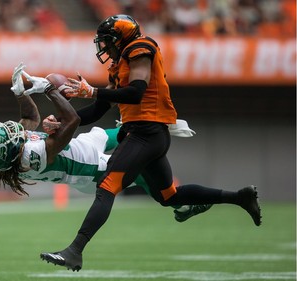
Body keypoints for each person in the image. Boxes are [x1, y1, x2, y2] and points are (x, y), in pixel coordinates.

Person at [23, 14, 261, 272]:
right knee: (169, 196)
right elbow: (96, 110)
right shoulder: (118, 66)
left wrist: (93, 91)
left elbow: (136, 92)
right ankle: (240, 197)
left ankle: (74, 251)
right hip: (142, 134)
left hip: (146, 132)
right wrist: (62, 123)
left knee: (107, 186)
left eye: (107, 42)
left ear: (121, 38)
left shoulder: (140, 48)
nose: (104, 48)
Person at [0, 63, 210, 223]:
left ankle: (152, 124)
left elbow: (30, 119)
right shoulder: (31, 157)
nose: (13, 130)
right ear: (8, 152)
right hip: (87, 168)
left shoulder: (16, 151)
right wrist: (50, 90)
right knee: (140, 171)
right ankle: (180, 205)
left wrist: (20, 93)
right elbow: (73, 119)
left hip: (81, 146)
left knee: (123, 131)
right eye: (8, 135)